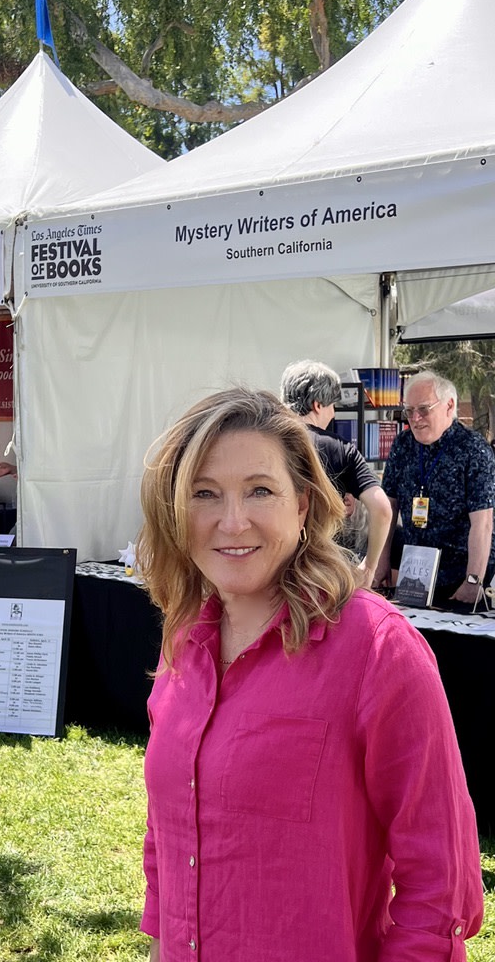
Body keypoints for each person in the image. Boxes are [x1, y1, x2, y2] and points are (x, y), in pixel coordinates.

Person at [136, 385, 482, 962]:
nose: (232, 520)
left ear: (302, 505)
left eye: (260, 491)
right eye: (204, 493)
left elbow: (439, 888)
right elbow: (166, 842)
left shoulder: (377, 650)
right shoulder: (183, 641)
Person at [375, 370, 495, 605]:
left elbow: (483, 523)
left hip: (461, 571)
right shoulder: (402, 445)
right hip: (415, 570)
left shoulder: (474, 450)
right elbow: (387, 508)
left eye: (423, 409)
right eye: (409, 411)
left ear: (449, 406)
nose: (415, 418)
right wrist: (380, 562)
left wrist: (473, 581)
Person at [280, 359, 392, 587]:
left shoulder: (262, 441)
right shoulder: (339, 448)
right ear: (317, 404)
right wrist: (369, 567)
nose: (333, 414)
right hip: (319, 571)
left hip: (268, 564)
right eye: (333, 405)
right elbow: (382, 508)